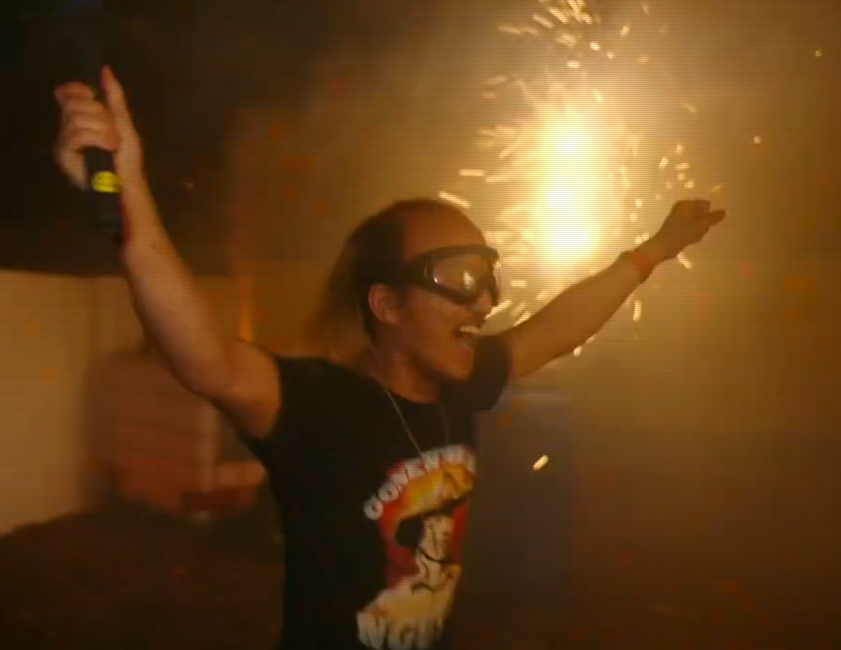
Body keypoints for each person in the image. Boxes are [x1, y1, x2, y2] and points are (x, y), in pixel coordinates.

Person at [53, 68, 725, 650]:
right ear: (387, 305)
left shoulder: (460, 383)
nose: (483, 300)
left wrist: (653, 250)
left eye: (486, 276)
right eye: (457, 276)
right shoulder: (322, 407)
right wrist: (129, 197)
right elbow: (207, 361)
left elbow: (554, 329)